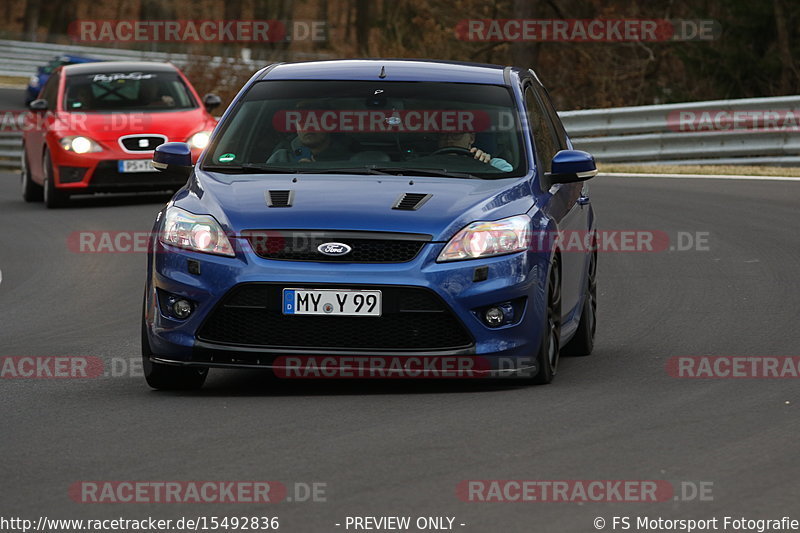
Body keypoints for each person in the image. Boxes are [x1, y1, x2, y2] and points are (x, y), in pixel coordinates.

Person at [437, 131, 513, 172]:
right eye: (443, 134)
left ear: (471, 138)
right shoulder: (426, 164)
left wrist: (485, 166)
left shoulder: (491, 163)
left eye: (456, 134)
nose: (448, 139)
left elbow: (510, 176)